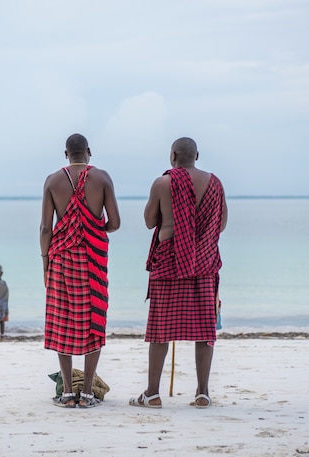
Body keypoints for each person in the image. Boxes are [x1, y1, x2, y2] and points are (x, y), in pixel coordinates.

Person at [129, 137, 228, 409]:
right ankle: (203, 393)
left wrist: (177, 225)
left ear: (172, 156)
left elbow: (150, 221)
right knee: (204, 329)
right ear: (197, 155)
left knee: (160, 330)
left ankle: (152, 394)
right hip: (204, 263)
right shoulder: (216, 184)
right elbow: (221, 224)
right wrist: (196, 239)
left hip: (169, 262)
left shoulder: (163, 183)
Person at [40, 133, 121, 408]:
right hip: (91, 259)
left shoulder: (52, 181)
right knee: (93, 320)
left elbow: (45, 229)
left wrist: (45, 262)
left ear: (66, 154)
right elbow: (115, 222)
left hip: (61, 259)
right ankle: (87, 393)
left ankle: (65, 394)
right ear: (89, 151)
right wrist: (96, 229)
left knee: (62, 320)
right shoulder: (102, 178)